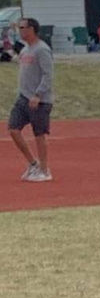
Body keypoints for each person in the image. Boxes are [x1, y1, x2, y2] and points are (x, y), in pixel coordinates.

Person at [8, 16, 53, 182]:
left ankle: (44, 169)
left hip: (39, 100)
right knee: (13, 129)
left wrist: (38, 94)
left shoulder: (42, 50)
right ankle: (33, 164)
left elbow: (48, 75)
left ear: (32, 29)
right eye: (19, 27)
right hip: (23, 98)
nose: (20, 30)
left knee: (39, 134)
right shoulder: (25, 50)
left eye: (22, 27)